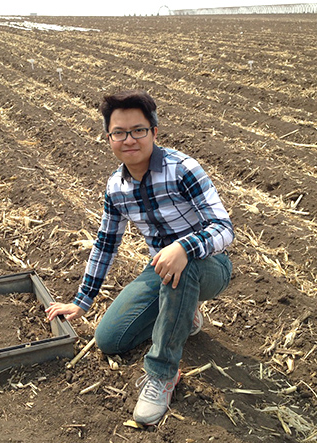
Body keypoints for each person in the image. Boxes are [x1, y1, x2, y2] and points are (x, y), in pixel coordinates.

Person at [46, 89, 234, 426]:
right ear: (109, 138)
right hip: (159, 270)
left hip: (210, 264)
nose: (128, 139)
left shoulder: (182, 169)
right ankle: (183, 314)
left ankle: (162, 374)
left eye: (138, 130)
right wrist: (82, 301)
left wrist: (184, 247)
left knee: (182, 268)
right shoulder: (116, 187)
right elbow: (106, 243)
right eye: (119, 132)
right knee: (110, 339)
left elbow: (224, 228)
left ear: (154, 133)